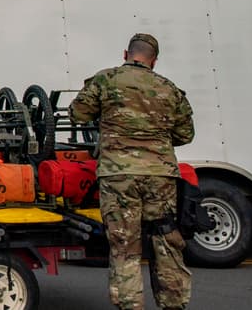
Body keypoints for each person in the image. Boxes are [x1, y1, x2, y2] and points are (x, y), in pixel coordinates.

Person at [70, 33, 195, 310]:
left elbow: (78, 114)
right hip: (160, 175)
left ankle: (131, 305)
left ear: (126, 54)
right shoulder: (169, 89)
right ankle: (173, 303)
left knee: (125, 244)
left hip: (118, 175)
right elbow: (185, 134)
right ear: (154, 61)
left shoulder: (106, 79)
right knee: (166, 241)